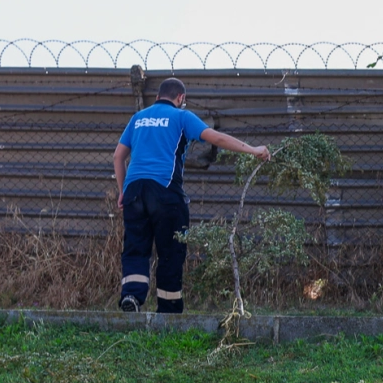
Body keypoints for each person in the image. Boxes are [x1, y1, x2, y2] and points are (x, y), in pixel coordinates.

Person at [111, 78, 270, 313]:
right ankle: (169, 308)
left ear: (157, 97)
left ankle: (131, 298)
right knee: (171, 249)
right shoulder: (181, 117)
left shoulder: (138, 118)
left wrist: (123, 191)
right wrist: (253, 149)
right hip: (165, 190)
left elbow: (118, 156)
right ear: (181, 99)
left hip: (135, 189)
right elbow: (216, 138)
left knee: (135, 247)